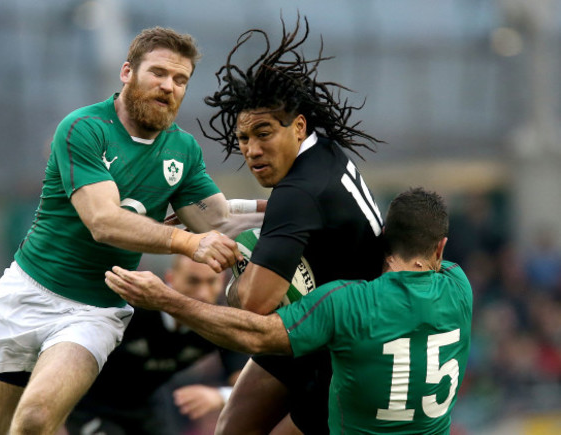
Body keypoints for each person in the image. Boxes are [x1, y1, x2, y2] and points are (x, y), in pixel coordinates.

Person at [0, 27, 265, 435]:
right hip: (26, 293)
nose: (168, 86)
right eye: (158, 73)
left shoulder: (183, 150)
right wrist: (189, 242)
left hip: (94, 311)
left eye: (180, 79)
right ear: (127, 72)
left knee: (33, 420)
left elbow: (217, 220)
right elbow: (103, 222)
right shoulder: (84, 128)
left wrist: (287, 209)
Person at [106, 187, 474, 434]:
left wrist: (166, 299)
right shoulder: (460, 287)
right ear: (440, 247)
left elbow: (255, 333)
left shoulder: (347, 302)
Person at [196, 15, 385, 433]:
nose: (252, 149)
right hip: (318, 323)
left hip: (350, 350)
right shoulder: (327, 152)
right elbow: (308, 217)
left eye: (264, 133)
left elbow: (254, 305)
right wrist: (240, 213)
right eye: (243, 138)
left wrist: (237, 268)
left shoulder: (296, 193)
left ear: (298, 126)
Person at [65, 254, 248, 435]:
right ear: (170, 279)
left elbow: (247, 382)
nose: (202, 293)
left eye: (211, 282)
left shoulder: (220, 323)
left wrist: (218, 396)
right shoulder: (131, 307)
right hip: (92, 404)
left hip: (148, 405)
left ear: (222, 282)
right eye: (193, 281)